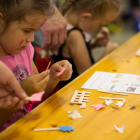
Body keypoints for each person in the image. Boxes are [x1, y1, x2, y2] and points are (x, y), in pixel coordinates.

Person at [0, 0, 72, 132]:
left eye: (35, 31)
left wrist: (53, 77)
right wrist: (22, 93)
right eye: (27, 30)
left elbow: (37, 96)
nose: (32, 39)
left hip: (30, 129)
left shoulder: (26, 50)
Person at [52, 0, 122, 86]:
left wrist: (95, 43)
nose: (98, 28)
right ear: (85, 17)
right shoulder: (75, 35)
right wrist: (108, 51)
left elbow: (71, 55)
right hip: (73, 90)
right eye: (100, 24)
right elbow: (88, 75)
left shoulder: (63, 25)